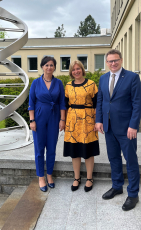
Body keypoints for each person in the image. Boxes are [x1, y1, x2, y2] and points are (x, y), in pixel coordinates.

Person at [96, 49, 141, 211]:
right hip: (108, 126)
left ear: (121, 60)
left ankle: (133, 194)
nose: (113, 63)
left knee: (130, 160)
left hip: (126, 128)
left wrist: (133, 125)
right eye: (110, 61)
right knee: (113, 158)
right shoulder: (103, 79)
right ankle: (117, 186)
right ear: (107, 63)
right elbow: (100, 101)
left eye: (116, 60)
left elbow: (138, 103)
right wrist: (99, 121)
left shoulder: (132, 77)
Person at [28, 56, 66, 192]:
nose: (49, 67)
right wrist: (32, 120)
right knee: (39, 149)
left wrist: (62, 120)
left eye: (51, 65)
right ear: (42, 67)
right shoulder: (35, 83)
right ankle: (40, 177)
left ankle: (49, 175)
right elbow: (31, 102)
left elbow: (62, 102)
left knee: (51, 148)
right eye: (46, 65)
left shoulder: (59, 83)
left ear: (54, 67)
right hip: (39, 117)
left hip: (54, 117)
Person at [63, 60, 99, 192]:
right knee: (74, 151)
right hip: (72, 121)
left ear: (82, 70)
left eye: (78, 69)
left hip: (88, 121)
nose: (76, 71)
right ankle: (76, 178)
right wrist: (65, 121)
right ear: (71, 72)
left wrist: (97, 121)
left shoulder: (91, 84)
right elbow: (65, 105)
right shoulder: (68, 86)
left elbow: (97, 104)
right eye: (73, 69)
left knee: (88, 151)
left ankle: (89, 178)